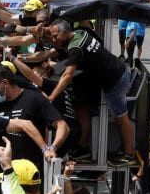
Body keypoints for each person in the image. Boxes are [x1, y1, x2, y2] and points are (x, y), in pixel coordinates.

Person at [47, 18, 138, 167]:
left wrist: (51, 97)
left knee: (121, 117)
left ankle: (129, 155)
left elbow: (67, 75)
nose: (53, 39)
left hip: (115, 80)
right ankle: (126, 150)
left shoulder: (75, 48)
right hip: (118, 73)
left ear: (64, 33)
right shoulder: (80, 33)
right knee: (118, 117)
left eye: (55, 36)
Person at [0, 64, 68, 165]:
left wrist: (52, 148)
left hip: (32, 172)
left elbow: (62, 125)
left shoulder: (34, 99)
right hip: (4, 171)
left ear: (4, 83)